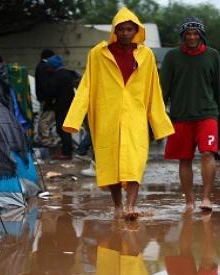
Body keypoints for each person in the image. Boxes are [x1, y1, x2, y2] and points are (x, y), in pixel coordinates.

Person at [63, 7, 173, 220]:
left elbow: (153, 90)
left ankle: (131, 205)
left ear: (136, 30)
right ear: (115, 30)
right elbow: (86, 86)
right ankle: (117, 206)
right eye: (121, 29)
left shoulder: (146, 55)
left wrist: (159, 123)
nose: (125, 33)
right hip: (107, 116)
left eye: (129, 29)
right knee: (110, 162)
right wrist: (74, 119)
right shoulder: (98, 54)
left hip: (135, 116)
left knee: (134, 160)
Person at [160, 16, 220, 212]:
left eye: (195, 33)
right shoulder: (172, 57)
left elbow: (219, 90)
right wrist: (157, 118)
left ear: (201, 35)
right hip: (181, 115)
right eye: (187, 33)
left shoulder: (213, 55)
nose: (191, 37)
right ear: (183, 36)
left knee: (207, 153)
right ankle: (189, 201)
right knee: (185, 158)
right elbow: (163, 89)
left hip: (207, 114)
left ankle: (206, 198)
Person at [42, 55, 78, 160]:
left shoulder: (57, 76)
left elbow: (51, 92)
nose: (48, 70)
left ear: (52, 67)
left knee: (62, 129)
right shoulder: (68, 73)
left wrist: (48, 104)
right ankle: (67, 149)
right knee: (65, 128)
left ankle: (66, 152)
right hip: (70, 104)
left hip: (61, 106)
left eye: (48, 67)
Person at [34, 49, 60, 148]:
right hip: (47, 98)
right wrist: (49, 98)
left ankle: (46, 139)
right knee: (45, 120)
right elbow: (45, 84)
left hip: (43, 98)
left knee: (45, 119)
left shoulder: (40, 66)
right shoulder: (44, 67)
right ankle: (46, 141)